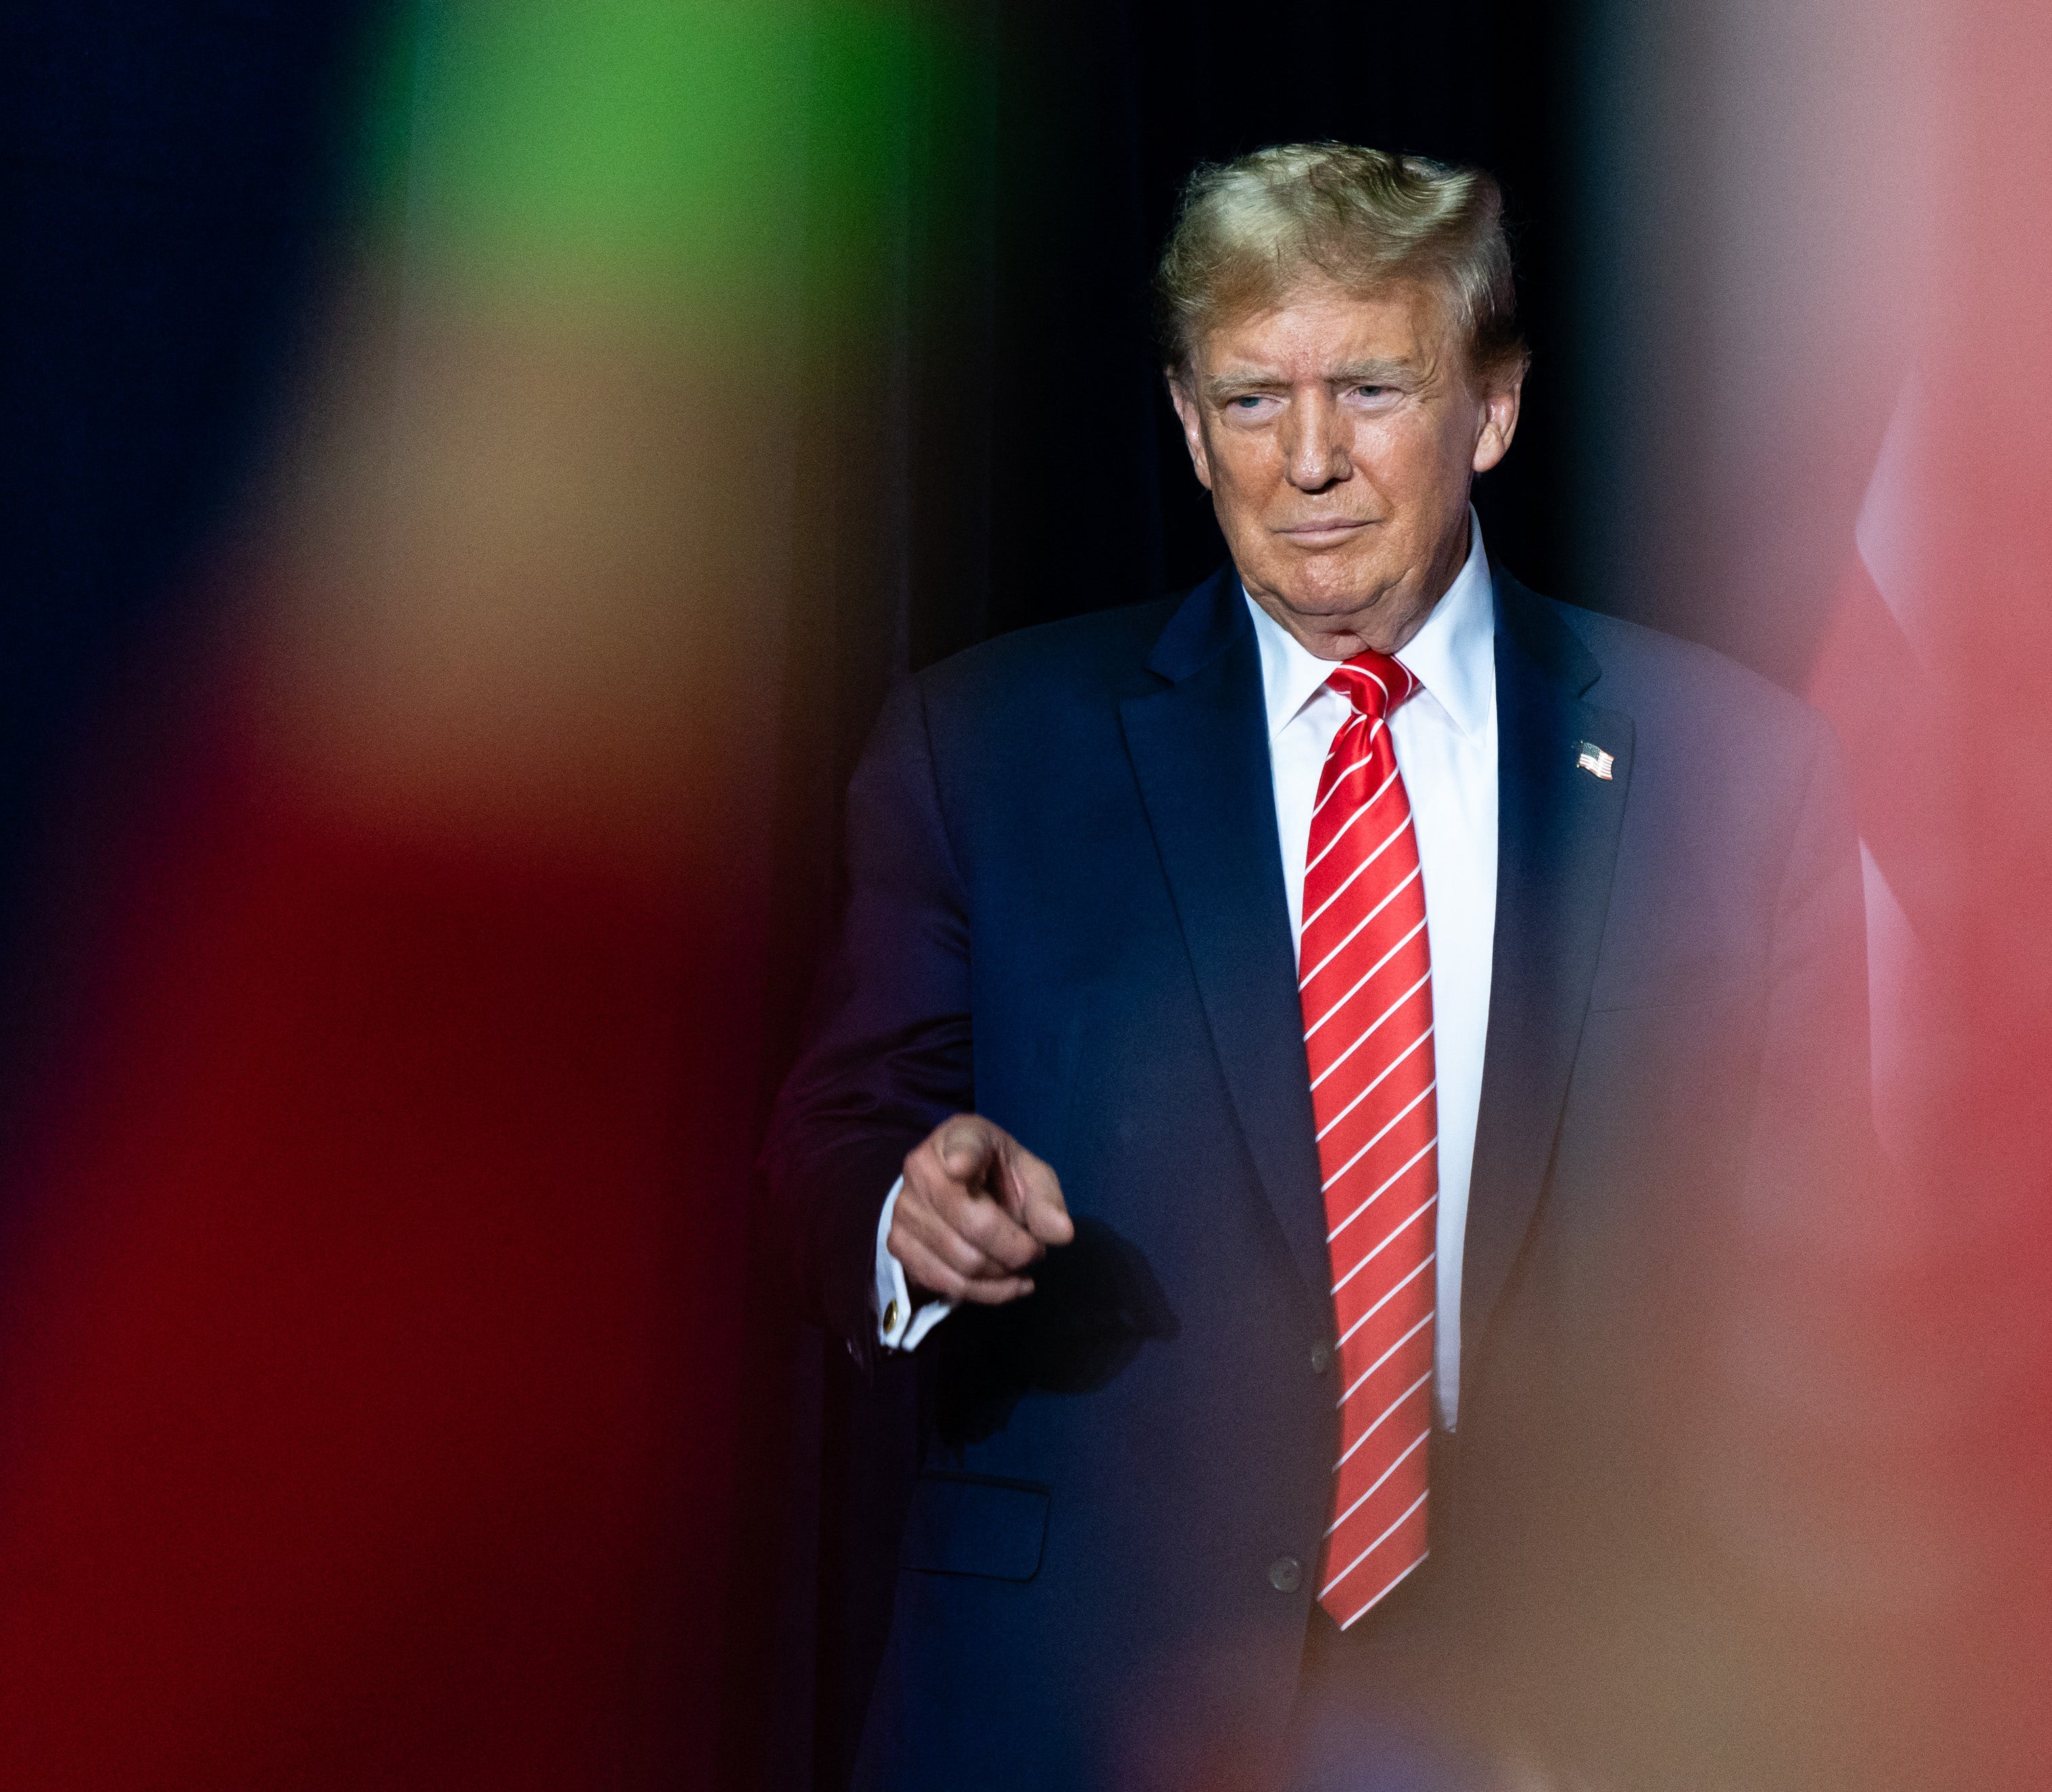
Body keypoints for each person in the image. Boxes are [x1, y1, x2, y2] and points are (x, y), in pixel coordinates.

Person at [759, 141, 1873, 1790]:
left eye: (1367, 386)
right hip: (1081, 1696)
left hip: (1554, 1710)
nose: (1309, 462)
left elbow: (1817, 1262)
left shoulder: (1734, 767)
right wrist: (905, 1207)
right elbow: (829, 1141)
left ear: (1488, 410)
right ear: (1186, 422)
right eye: (1251, 399)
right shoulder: (984, 751)